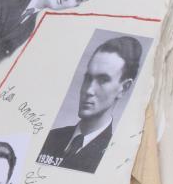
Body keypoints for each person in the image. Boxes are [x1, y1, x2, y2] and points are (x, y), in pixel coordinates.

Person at [37, 35, 143, 173]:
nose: (89, 90)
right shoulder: (51, 137)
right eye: (88, 78)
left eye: (103, 80)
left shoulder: (117, 156)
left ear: (124, 88)